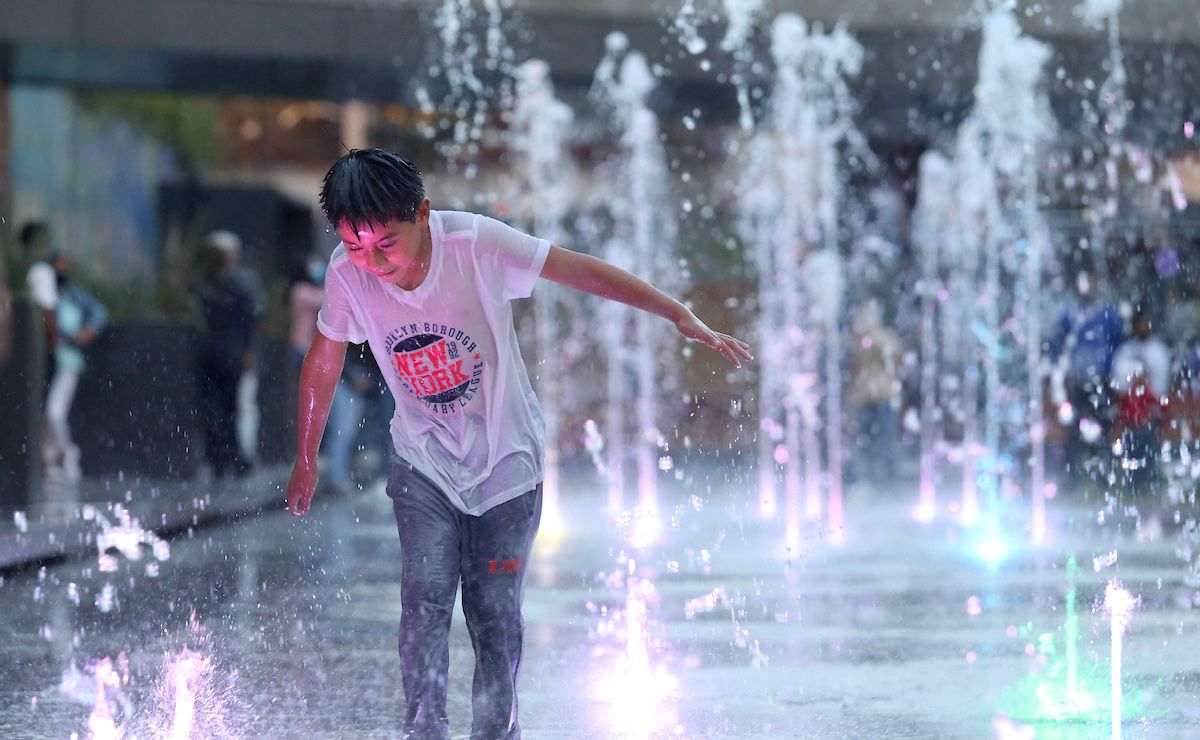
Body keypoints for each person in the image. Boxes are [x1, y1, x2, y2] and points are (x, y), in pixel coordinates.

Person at [285, 149, 752, 739]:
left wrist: (675, 311)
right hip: (422, 463)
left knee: (493, 607)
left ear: (422, 214)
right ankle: (424, 730)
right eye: (355, 245)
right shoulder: (345, 273)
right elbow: (325, 357)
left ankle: (496, 732)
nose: (373, 262)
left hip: (507, 469)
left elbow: (578, 270)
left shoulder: (474, 244)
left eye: (386, 244)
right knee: (425, 599)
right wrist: (305, 457)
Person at [289, 253, 368, 493]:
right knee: (341, 420)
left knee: (340, 420)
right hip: (309, 357)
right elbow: (331, 301)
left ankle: (333, 471)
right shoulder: (301, 292)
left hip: (324, 360)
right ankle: (335, 475)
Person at [194, 231, 260, 479]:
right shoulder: (232, 283)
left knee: (224, 408)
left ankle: (225, 459)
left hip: (219, 353)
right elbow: (250, 319)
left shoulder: (212, 283)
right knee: (229, 408)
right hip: (224, 354)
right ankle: (230, 459)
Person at [44, 253, 108, 481]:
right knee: (47, 415)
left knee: (55, 412)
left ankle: (67, 454)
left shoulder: (73, 296)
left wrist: (87, 332)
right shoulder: (48, 295)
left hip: (67, 362)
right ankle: (53, 459)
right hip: (47, 363)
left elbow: (99, 313)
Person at [1110, 311, 1171, 496]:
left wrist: (1150, 400)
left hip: (1150, 409)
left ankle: (1148, 485)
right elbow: (1119, 383)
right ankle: (1129, 486)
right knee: (1128, 446)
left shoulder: (1158, 350)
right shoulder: (1125, 351)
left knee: (1148, 443)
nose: (1143, 327)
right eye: (1140, 323)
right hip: (1128, 410)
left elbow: (1161, 386)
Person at [849, 299, 902, 483]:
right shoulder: (858, 339)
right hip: (864, 395)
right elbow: (854, 364)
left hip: (882, 394)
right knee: (865, 436)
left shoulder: (883, 337)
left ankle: (887, 472)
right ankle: (867, 472)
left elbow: (895, 356)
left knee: (885, 435)